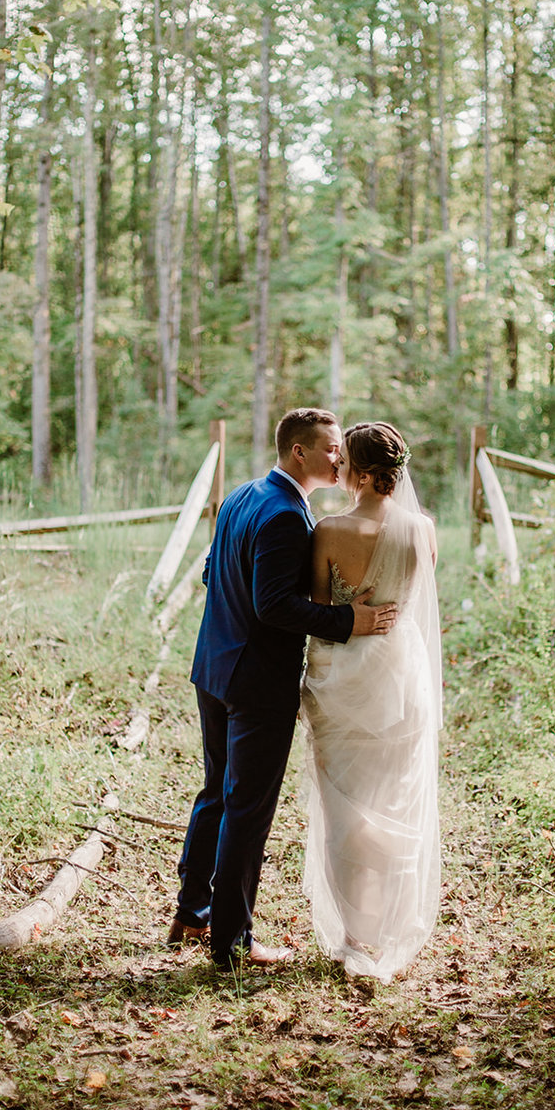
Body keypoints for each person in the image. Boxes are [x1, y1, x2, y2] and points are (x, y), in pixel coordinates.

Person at [167, 408, 399, 971]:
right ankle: (231, 943)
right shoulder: (285, 518)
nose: (338, 457)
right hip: (256, 683)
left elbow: (212, 572)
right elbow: (274, 606)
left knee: (217, 793)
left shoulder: (245, 497)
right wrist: (352, 621)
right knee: (247, 808)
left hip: (215, 667)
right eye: (330, 449)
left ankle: (192, 912)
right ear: (301, 453)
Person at [300, 421, 442, 982]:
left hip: (343, 679)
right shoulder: (424, 530)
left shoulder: (329, 529)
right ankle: (382, 931)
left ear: (355, 472)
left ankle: (357, 937)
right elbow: (415, 602)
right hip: (402, 678)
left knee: (344, 811)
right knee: (395, 800)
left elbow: (319, 613)